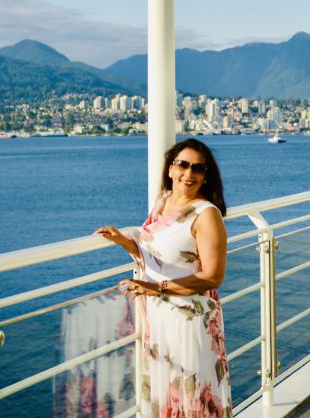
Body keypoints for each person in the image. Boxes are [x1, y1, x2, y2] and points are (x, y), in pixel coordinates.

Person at [95, 138, 232, 418]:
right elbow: (157, 252)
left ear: (206, 176)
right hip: (158, 320)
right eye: (182, 165)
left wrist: (157, 288)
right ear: (170, 169)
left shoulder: (206, 215)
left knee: (191, 398)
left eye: (198, 168)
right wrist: (125, 242)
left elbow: (212, 277)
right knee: (165, 397)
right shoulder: (163, 202)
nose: (188, 174)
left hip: (189, 322)